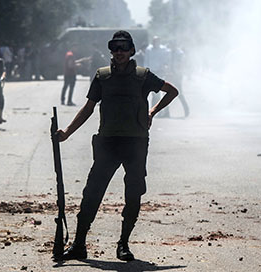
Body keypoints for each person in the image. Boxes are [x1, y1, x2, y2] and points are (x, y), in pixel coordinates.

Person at [55, 30, 178, 261]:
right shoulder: (102, 76)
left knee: (133, 194)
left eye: (124, 48)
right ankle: (79, 245)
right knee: (92, 193)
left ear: (132, 51)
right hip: (108, 143)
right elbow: (88, 108)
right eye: (115, 47)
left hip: (135, 144)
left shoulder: (143, 76)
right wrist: (67, 133)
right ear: (110, 50)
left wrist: (152, 111)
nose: (119, 52)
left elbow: (172, 91)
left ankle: (123, 244)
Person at [144, 36, 171, 117]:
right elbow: (146, 60)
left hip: (161, 72)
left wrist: (166, 69)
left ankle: (166, 112)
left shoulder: (163, 49)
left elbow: (167, 60)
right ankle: (153, 112)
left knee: (164, 93)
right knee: (154, 94)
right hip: (152, 72)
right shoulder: (149, 49)